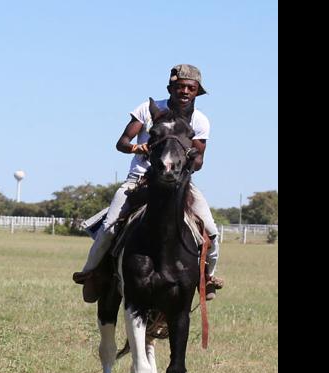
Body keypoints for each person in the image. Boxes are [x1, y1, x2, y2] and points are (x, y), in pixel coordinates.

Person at [72, 64, 224, 302]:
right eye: (179, 87)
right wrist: (137, 147)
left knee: (212, 233)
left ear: (197, 92)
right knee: (110, 227)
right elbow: (121, 142)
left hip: (178, 184)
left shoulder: (200, 121)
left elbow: (200, 161)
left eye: (190, 88)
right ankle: (91, 273)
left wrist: (187, 160)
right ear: (170, 88)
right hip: (140, 179)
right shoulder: (147, 109)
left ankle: (208, 278)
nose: (184, 91)